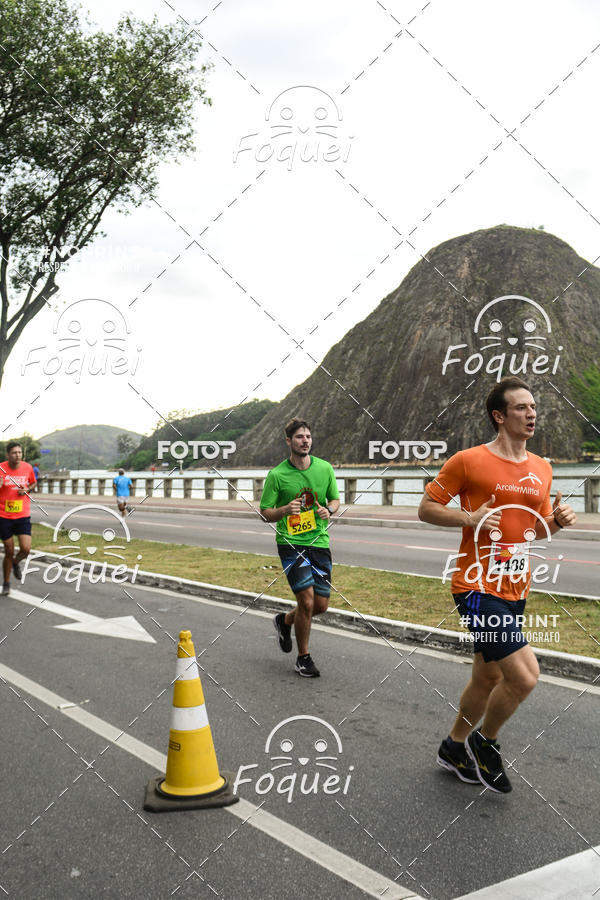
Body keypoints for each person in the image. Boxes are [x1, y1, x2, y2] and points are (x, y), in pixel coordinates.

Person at [418, 376, 576, 793]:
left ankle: (453, 747)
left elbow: (533, 531)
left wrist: (555, 524)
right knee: (525, 676)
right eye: (522, 408)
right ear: (499, 416)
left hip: (516, 588)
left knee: (488, 679)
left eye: (534, 407)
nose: (531, 414)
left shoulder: (542, 467)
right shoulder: (468, 461)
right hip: (474, 587)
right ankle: (484, 742)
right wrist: (468, 518)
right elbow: (427, 508)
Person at [260, 419, 340, 677]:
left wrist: (329, 510)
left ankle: (284, 621)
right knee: (306, 601)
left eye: (308, 436)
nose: (305, 440)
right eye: (299, 437)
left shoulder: (325, 468)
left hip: (319, 542)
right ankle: (303, 658)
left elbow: (335, 499)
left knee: (321, 605)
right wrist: (283, 510)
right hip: (291, 544)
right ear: (288, 441)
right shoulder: (277, 475)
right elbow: (265, 513)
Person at [0, 441, 37, 595]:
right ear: (7, 455)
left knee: (26, 549)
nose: (17, 455)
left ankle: (16, 563)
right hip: (3, 515)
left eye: (19, 453)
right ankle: (6, 583)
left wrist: (27, 489)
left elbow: (33, 483)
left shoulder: (27, 468)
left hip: (22, 515)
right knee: (9, 550)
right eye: (14, 453)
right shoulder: (1, 468)